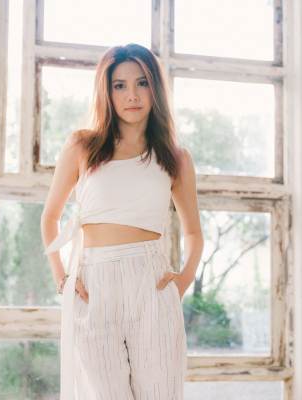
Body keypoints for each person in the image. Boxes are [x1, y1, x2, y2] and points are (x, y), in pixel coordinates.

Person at [40, 43, 203, 399]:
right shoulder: (82, 147)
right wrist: (63, 279)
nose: (132, 95)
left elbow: (193, 232)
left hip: (151, 283)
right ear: (107, 91)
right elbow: (49, 217)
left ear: (155, 88)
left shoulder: (175, 158)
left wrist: (181, 282)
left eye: (142, 83)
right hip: (93, 283)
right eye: (119, 85)